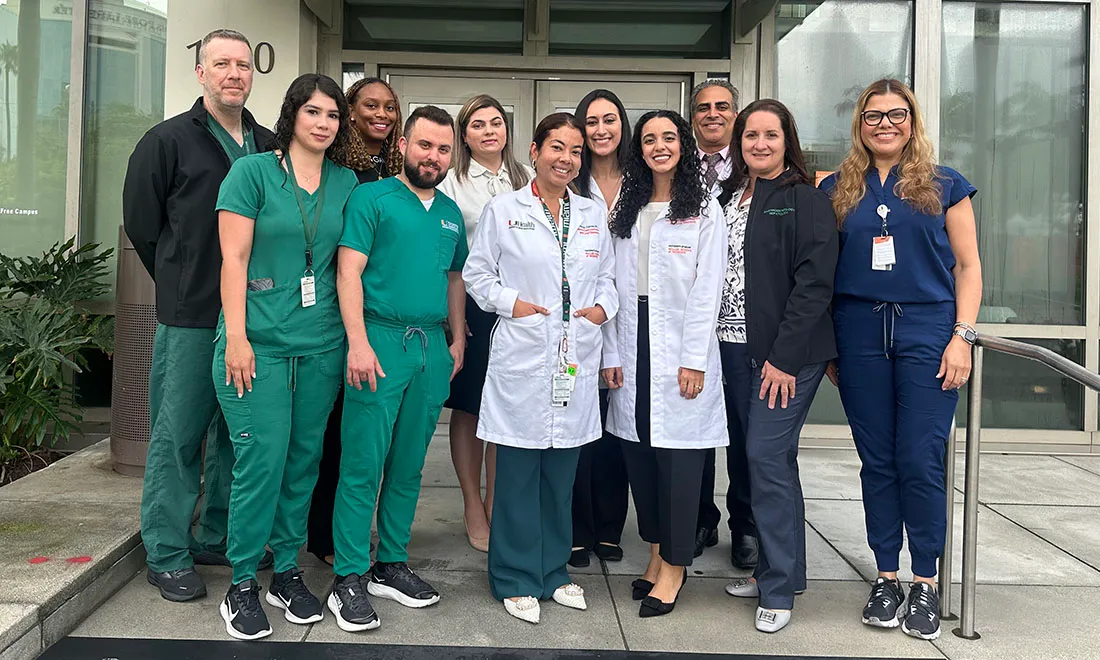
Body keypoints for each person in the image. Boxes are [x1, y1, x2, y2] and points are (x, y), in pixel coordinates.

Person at [820, 79, 981, 641]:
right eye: (873, 115)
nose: (884, 124)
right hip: (859, 330)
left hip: (928, 331)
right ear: (859, 124)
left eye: (895, 114)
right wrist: (829, 344)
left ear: (912, 120)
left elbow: (968, 267)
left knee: (919, 457)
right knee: (878, 460)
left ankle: (925, 581)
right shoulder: (838, 188)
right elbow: (822, 268)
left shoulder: (945, 185)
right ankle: (886, 576)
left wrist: (962, 337)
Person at [122, 28, 276, 603]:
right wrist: (181, 277)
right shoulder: (167, 141)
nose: (234, 74)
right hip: (191, 315)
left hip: (253, 316)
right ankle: (166, 552)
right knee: (179, 435)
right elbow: (143, 226)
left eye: (243, 64)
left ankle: (217, 535)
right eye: (222, 64)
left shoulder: (268, 144)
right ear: (201, 72)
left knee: (237, 435)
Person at [213, 73, 358, 640]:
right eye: (313, 112)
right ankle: (242, 581)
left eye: (333, 115)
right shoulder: (252, 173)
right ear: (292, 114)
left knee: (302, 462)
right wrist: (237, 337)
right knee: (261, 461)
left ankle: (287, 572)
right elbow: (233, 259)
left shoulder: (346, 182)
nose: (323, 123)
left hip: (320, 346)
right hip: (258, 346)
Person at [463, 112, 617, 624]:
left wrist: (602, 310)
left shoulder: (592, 213)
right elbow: (477, 275)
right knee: (517, 474)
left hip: (574, 357)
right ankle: (514, 576)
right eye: (557, 147)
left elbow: (607, 278)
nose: (566, 159)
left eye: (575, 151)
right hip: (524, 354)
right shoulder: (505, 209)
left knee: (560, 474)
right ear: (534, 151)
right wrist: (513, 304)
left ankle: (553, 572)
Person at [327, 105, 467, 633]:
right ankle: (348, 575)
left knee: (409, 465)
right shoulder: (372, 199)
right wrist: (358, 343)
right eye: (425, 145)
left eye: (443, 149)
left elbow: (454, 278)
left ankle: (390, 563)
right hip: (379, 341)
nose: (433, 157)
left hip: (430, 347)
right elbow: (348, 272)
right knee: (363, 464)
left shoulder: (450, 213)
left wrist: (458, 338)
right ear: (404, 145)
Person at [716, 100, 839, 633]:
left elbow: (814, 284)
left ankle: (779, 588)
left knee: (765, 456)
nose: (760, 144)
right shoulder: (729, 196)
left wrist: (783, 359)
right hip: (731, 346)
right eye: (751, 135)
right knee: (767, 462)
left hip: (785, 356)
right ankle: (778, 569)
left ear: (788, 140)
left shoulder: (804, 199)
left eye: (771, 134)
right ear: (739, 143)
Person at [602, 110, 727, 619]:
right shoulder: (626, 207)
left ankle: (674, 567)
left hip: (679, 343)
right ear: (639, 149)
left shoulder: (704, 208)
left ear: (683, 146)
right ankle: (655, 555)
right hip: (631, 337)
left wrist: (694, 359)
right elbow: (609, 283)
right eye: (649, 139)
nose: (659, 146)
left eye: (669, 138)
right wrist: (611, 352)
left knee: (678, 462)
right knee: (640, 456)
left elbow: (707, 288)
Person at [307, 76, 404, 567]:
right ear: (349, 111)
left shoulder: (399, 171)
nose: (381, 114)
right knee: (332, 430)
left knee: (365, 437)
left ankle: (353, 528)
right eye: (370, 105)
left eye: (389, 107)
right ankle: (323, 536)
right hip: (337, 310)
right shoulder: (337, 169)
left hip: (383, 316)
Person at [437, 94, 534, 553]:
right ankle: (472, 505)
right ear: (465, 134)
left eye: (496, 122)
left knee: (506, 408)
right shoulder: (452, 182)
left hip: (518, 308)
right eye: (478, 124)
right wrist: (452, 316)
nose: (489, 131)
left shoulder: (526, 177)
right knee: (471, 407)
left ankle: (497, 502)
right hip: (472, 307)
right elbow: (447, 256)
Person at [689, 78, 756, 568]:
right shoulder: (676, 165)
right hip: (689, 320)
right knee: (692, 424)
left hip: (740, 324)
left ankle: (746, 525)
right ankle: (698, 518)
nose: (712, 114)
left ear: (736, 114)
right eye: (703, 108)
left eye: (722, 107)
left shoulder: (754, 167)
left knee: (744, 428)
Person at [568, 89, 632, 569]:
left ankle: (610, 526)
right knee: (577, 425)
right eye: (591, 122)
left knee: (616, 429)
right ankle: (577, 529)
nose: (601, 129)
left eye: (609, 119)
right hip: (580, 319)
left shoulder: (642, 180)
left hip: (631, 317)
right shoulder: (570, 181)